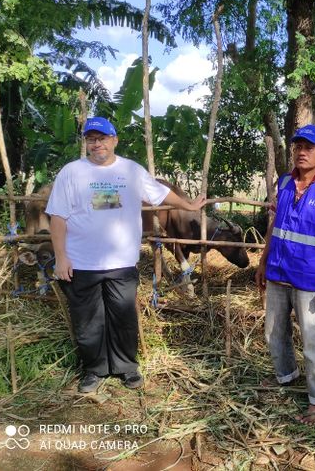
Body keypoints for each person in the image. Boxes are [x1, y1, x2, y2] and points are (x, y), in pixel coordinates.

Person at [47, 116, 206, 393]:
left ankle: (126, 367)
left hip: (121, 262)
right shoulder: (71, 173)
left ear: (114, 140)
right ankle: (94, 370)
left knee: (123, 317)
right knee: (87, 320)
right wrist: (61, 257)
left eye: (103, 138)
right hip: (82, 262)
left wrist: (188, 205)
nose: (97, 144)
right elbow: (58, 218)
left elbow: (159, 194)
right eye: (91, 139)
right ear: (86, 143)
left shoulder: (131, 171)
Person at [255, 124, 315, 425]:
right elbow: (273, 226)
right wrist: (262, 261)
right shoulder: (283, 183)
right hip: (279, 272)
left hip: (311, 279)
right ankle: (286, 376)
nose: (302, 152)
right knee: (273, 332)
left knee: (314, 343)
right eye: (298, 147)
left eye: (309, 147)